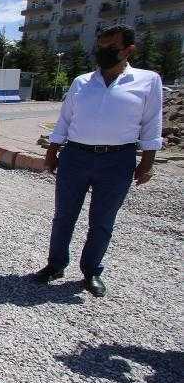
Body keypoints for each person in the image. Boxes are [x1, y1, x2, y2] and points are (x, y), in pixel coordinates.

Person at [36, 25, 163, 297]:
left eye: (111, 48)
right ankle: (55, 265)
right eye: (101, 47)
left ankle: (91, 271)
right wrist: (52, 152)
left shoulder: (147, 81)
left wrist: (147, 161)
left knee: (103, 219)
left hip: (118, 159)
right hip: (76, 156)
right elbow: (65, 120)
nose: (103, 53)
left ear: (128, 50)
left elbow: (152, 124)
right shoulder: (82, 82)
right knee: (63, 216)